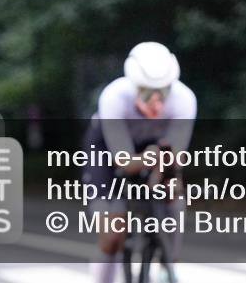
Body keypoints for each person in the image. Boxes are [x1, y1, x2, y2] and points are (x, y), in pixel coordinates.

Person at [84, 42, 197, 283]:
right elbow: (124, 161)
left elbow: (174, 157)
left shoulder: (184, 99)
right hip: (108, 149)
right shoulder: (114, 96)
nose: (156, 100)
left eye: (163, 91)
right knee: (112, 234)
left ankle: (170, 262)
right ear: (134, 86)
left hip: (156, 147)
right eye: (147, 93)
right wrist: (144, 163)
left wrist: (163, 177)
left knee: (173, 193)